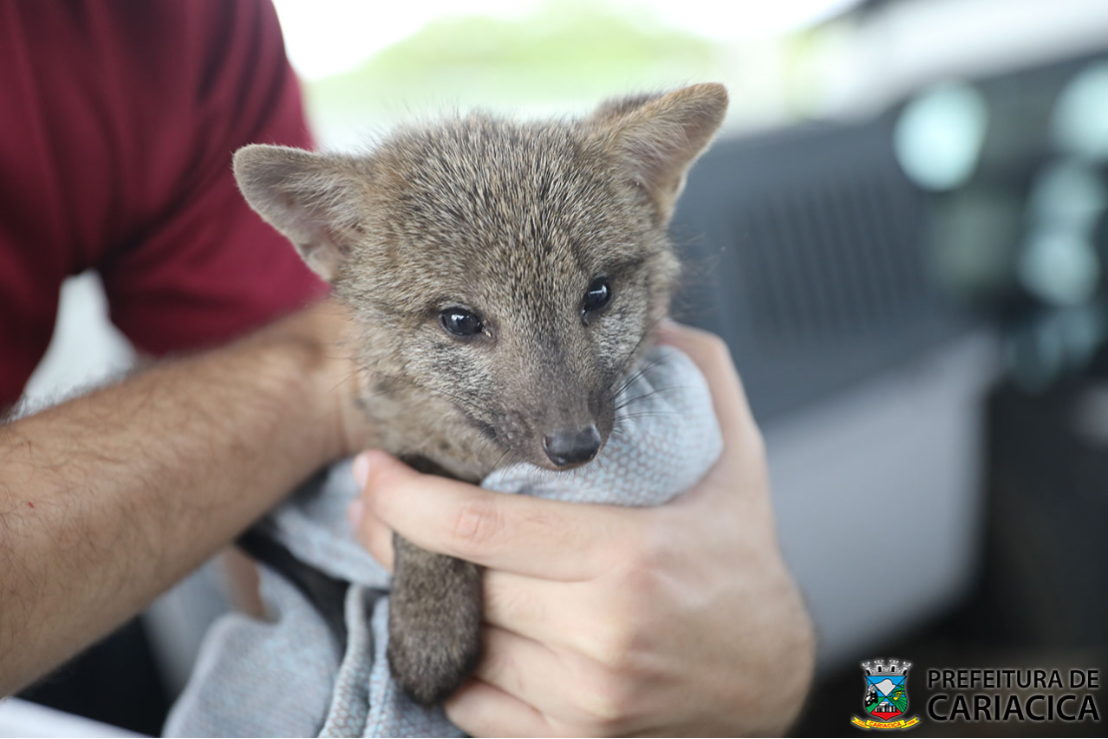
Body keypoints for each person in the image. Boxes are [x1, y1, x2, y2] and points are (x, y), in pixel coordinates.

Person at [0, 0, 815, 735]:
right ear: (335, 235)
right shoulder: (365, 245)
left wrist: (767, 663)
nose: (572, 423)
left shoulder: (172, 27)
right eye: (464, 323)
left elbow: (265, 487)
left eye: (595, 297)